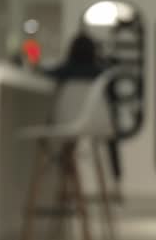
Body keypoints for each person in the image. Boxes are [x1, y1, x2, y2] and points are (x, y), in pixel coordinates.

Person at [46, 33, 122, 188]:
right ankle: (116, 180)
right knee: (71, 143)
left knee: (59, 139)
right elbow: (113, 100)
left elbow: (47, 74)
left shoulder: (64, 71)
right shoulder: (101, 73)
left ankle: (65, 186)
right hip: (98, 124)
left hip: (65, 122)